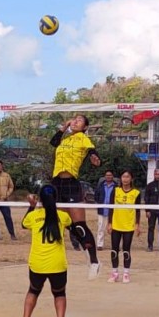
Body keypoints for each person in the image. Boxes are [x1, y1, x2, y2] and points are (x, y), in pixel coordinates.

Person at [49, 114, 101, 278]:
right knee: (61, 224)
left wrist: (94, 157)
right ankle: (56, 261)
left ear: (85, 127)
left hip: (71, 183)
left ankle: (94, 261)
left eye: (79, 120)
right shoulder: (65, 140)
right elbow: (53, 143)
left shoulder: (82, 138)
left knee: (79, 225)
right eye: (74, 119)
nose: (75, 121)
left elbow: (92, 150)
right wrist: (63, 128)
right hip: (56, 184)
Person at [16, 184, 72, 317]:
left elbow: (23, 224)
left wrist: (32, 207)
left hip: (37, 263)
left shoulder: (33, 216)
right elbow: (70, 223)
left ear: (40, 199)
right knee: (59, 293)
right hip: (57, 263)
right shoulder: (63, 216)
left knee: (33, 291)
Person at [107, 170, 141, 283]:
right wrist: (109, 223)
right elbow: (111, 208)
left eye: (127, 177)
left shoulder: (136, 193)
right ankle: (115, 272)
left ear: (131, 179)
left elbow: (137, 211)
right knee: (114, 250)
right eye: (123, 176)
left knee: (126, 250)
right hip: (116, 224)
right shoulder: (115, 190)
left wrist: (137, 224)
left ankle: (126, 273)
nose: (125, 179)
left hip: (128, 226)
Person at [94, 170, 116, 249]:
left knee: (115, 229)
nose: (108, 176)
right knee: (100, 228)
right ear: (105, 176)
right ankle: (100, 245)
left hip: (113, 211)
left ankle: (115, 245)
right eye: (107, 175)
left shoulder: (117, 186)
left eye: (110, 175)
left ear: (112, 176)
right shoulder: (100, 186)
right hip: (102, 211)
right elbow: (96, 196)